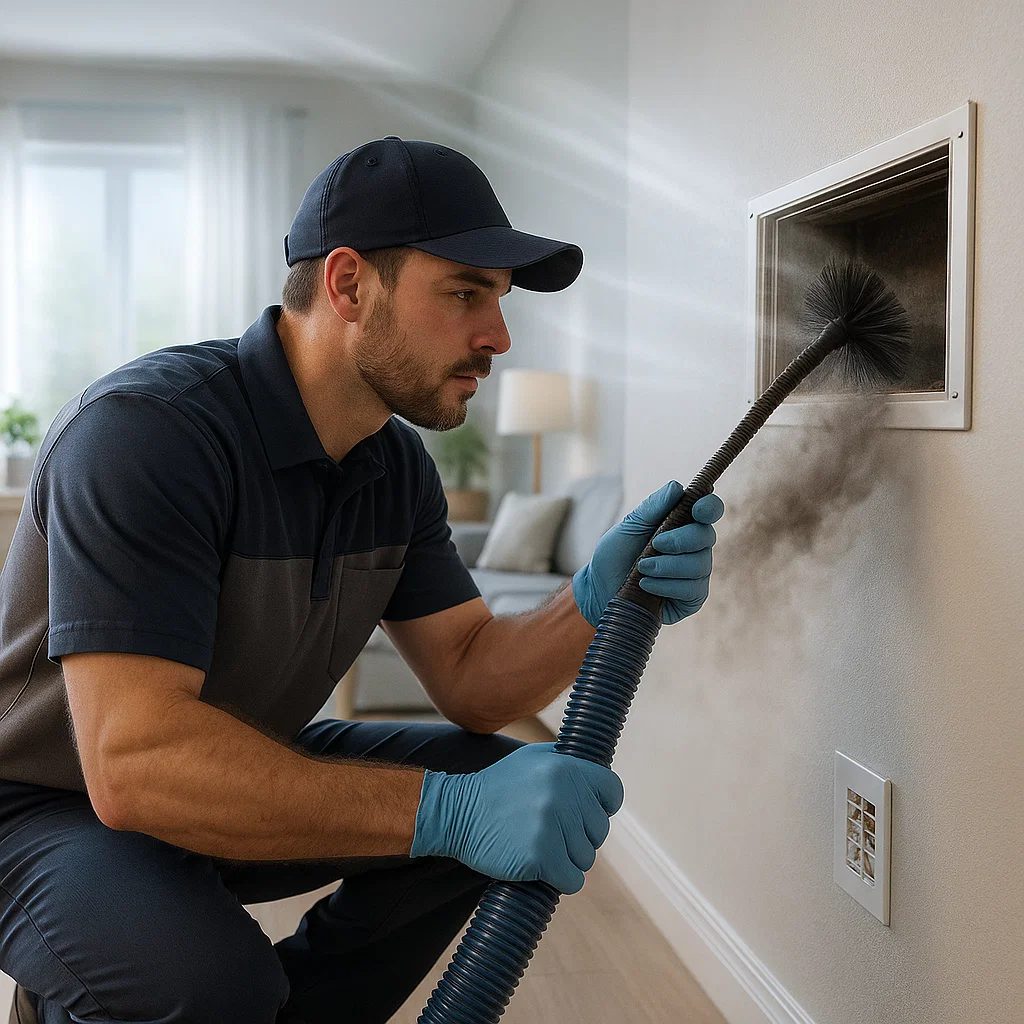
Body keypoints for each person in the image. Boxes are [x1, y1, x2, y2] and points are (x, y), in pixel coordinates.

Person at [0, 136, 724, 1024]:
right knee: (205, 986)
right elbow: (135, 767)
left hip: (225, 760)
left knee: (497, 779)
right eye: (465, 293)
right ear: (347, 284)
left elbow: (469, 676)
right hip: (44, 805)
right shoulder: (149, 435)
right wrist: (444, 814)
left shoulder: (396, 468)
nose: (497, 336)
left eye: (497, 302)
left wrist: (591, 604)